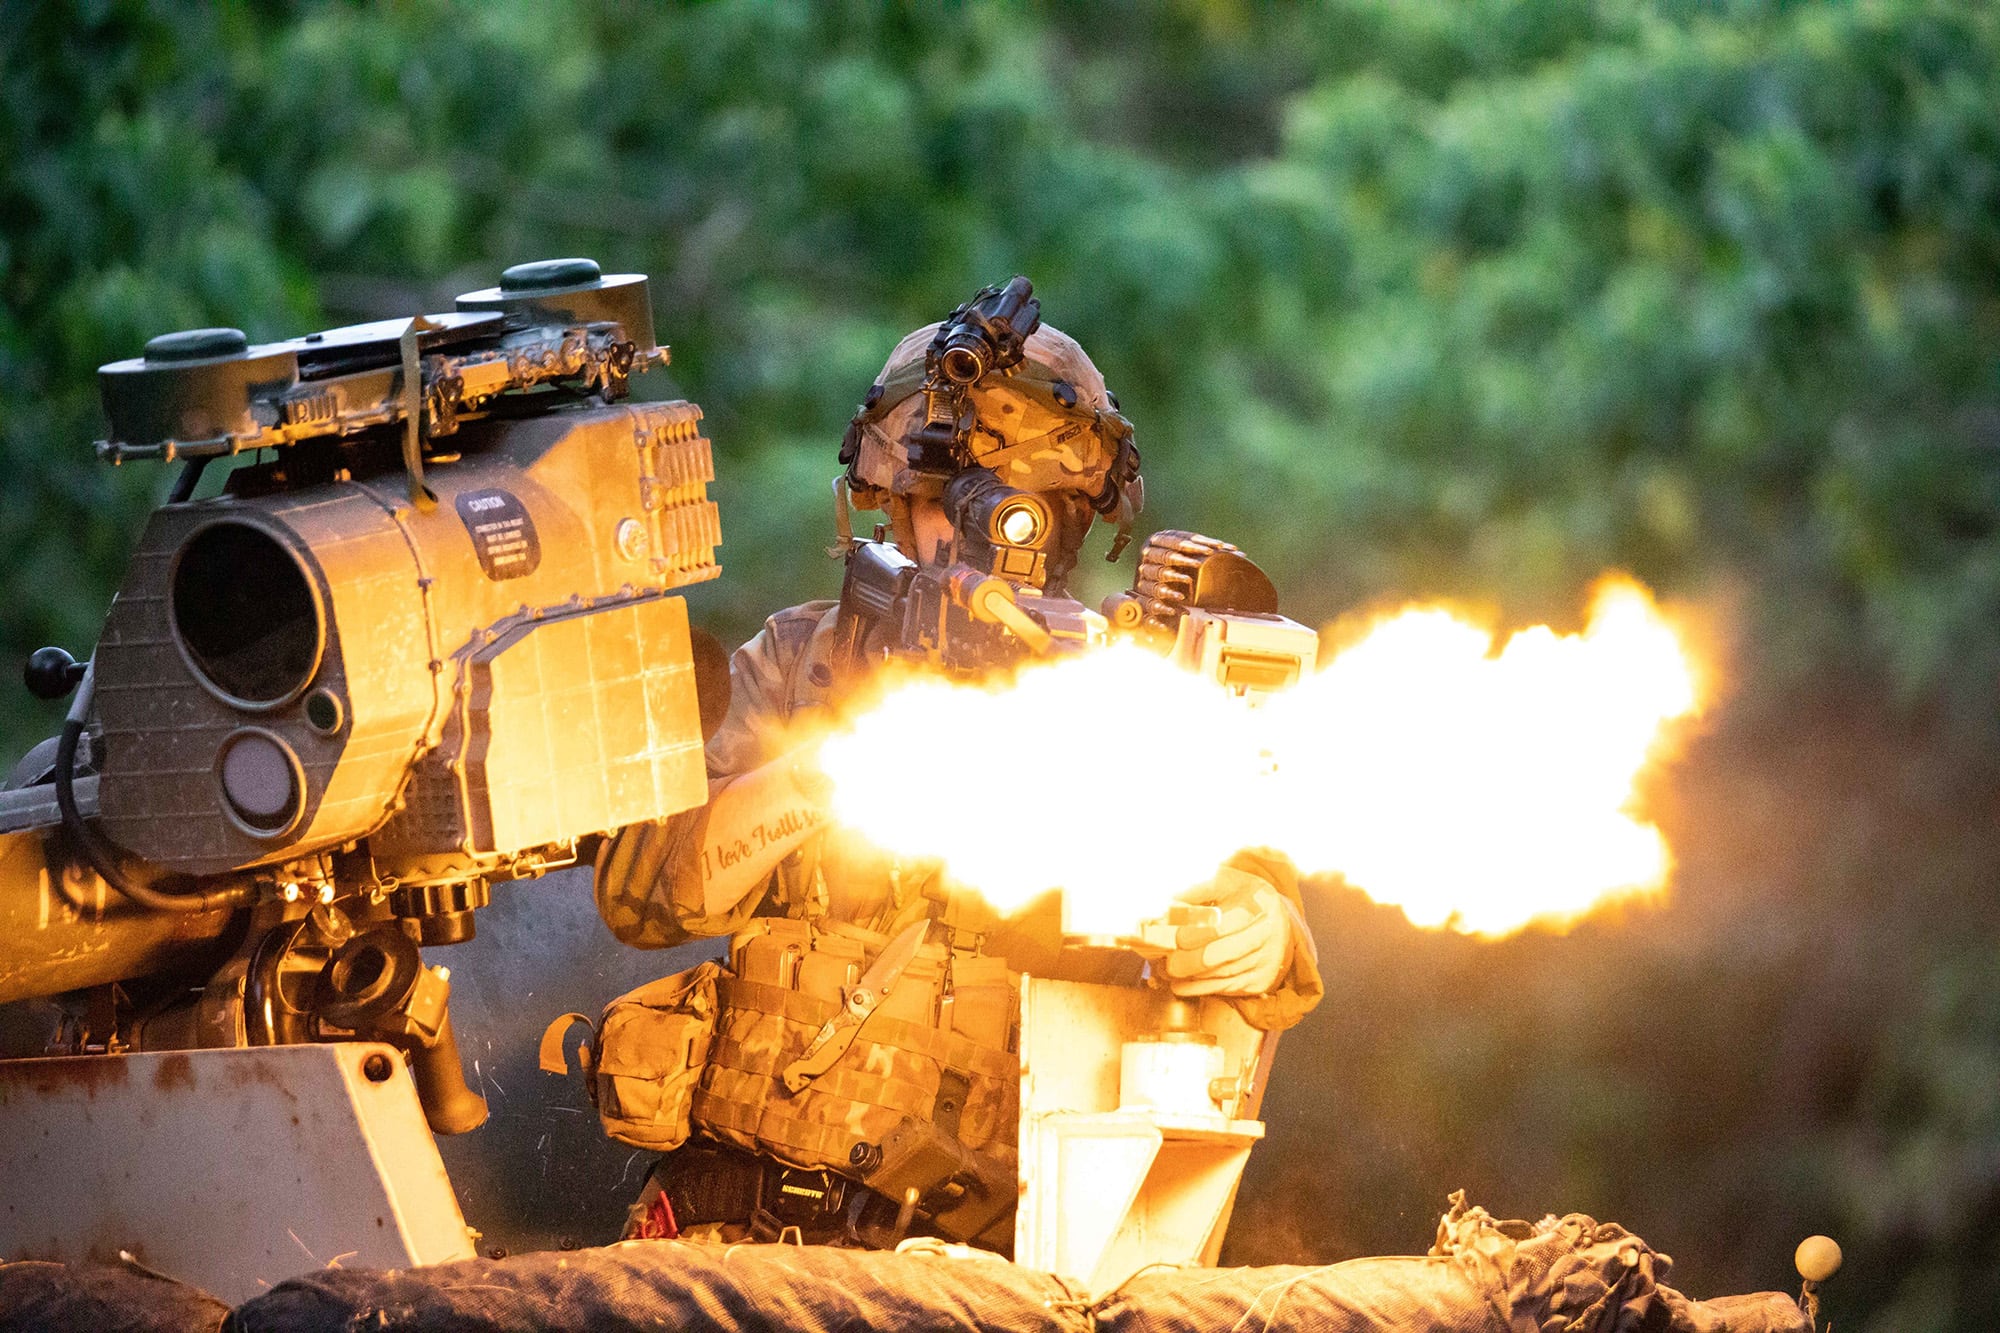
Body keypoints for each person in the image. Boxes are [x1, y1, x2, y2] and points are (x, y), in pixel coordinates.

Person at [591, 282, 1321, 1252]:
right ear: (886, 504)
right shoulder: (804, 659)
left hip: (986, 1259)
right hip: (741, 1232)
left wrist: (1256, 932)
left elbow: (1260, 914)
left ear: (1067, 521)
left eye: (1019, 513)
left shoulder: (1129, 693)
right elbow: (643, 894)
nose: (970, 544)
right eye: (944, 507)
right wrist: (842, 761)